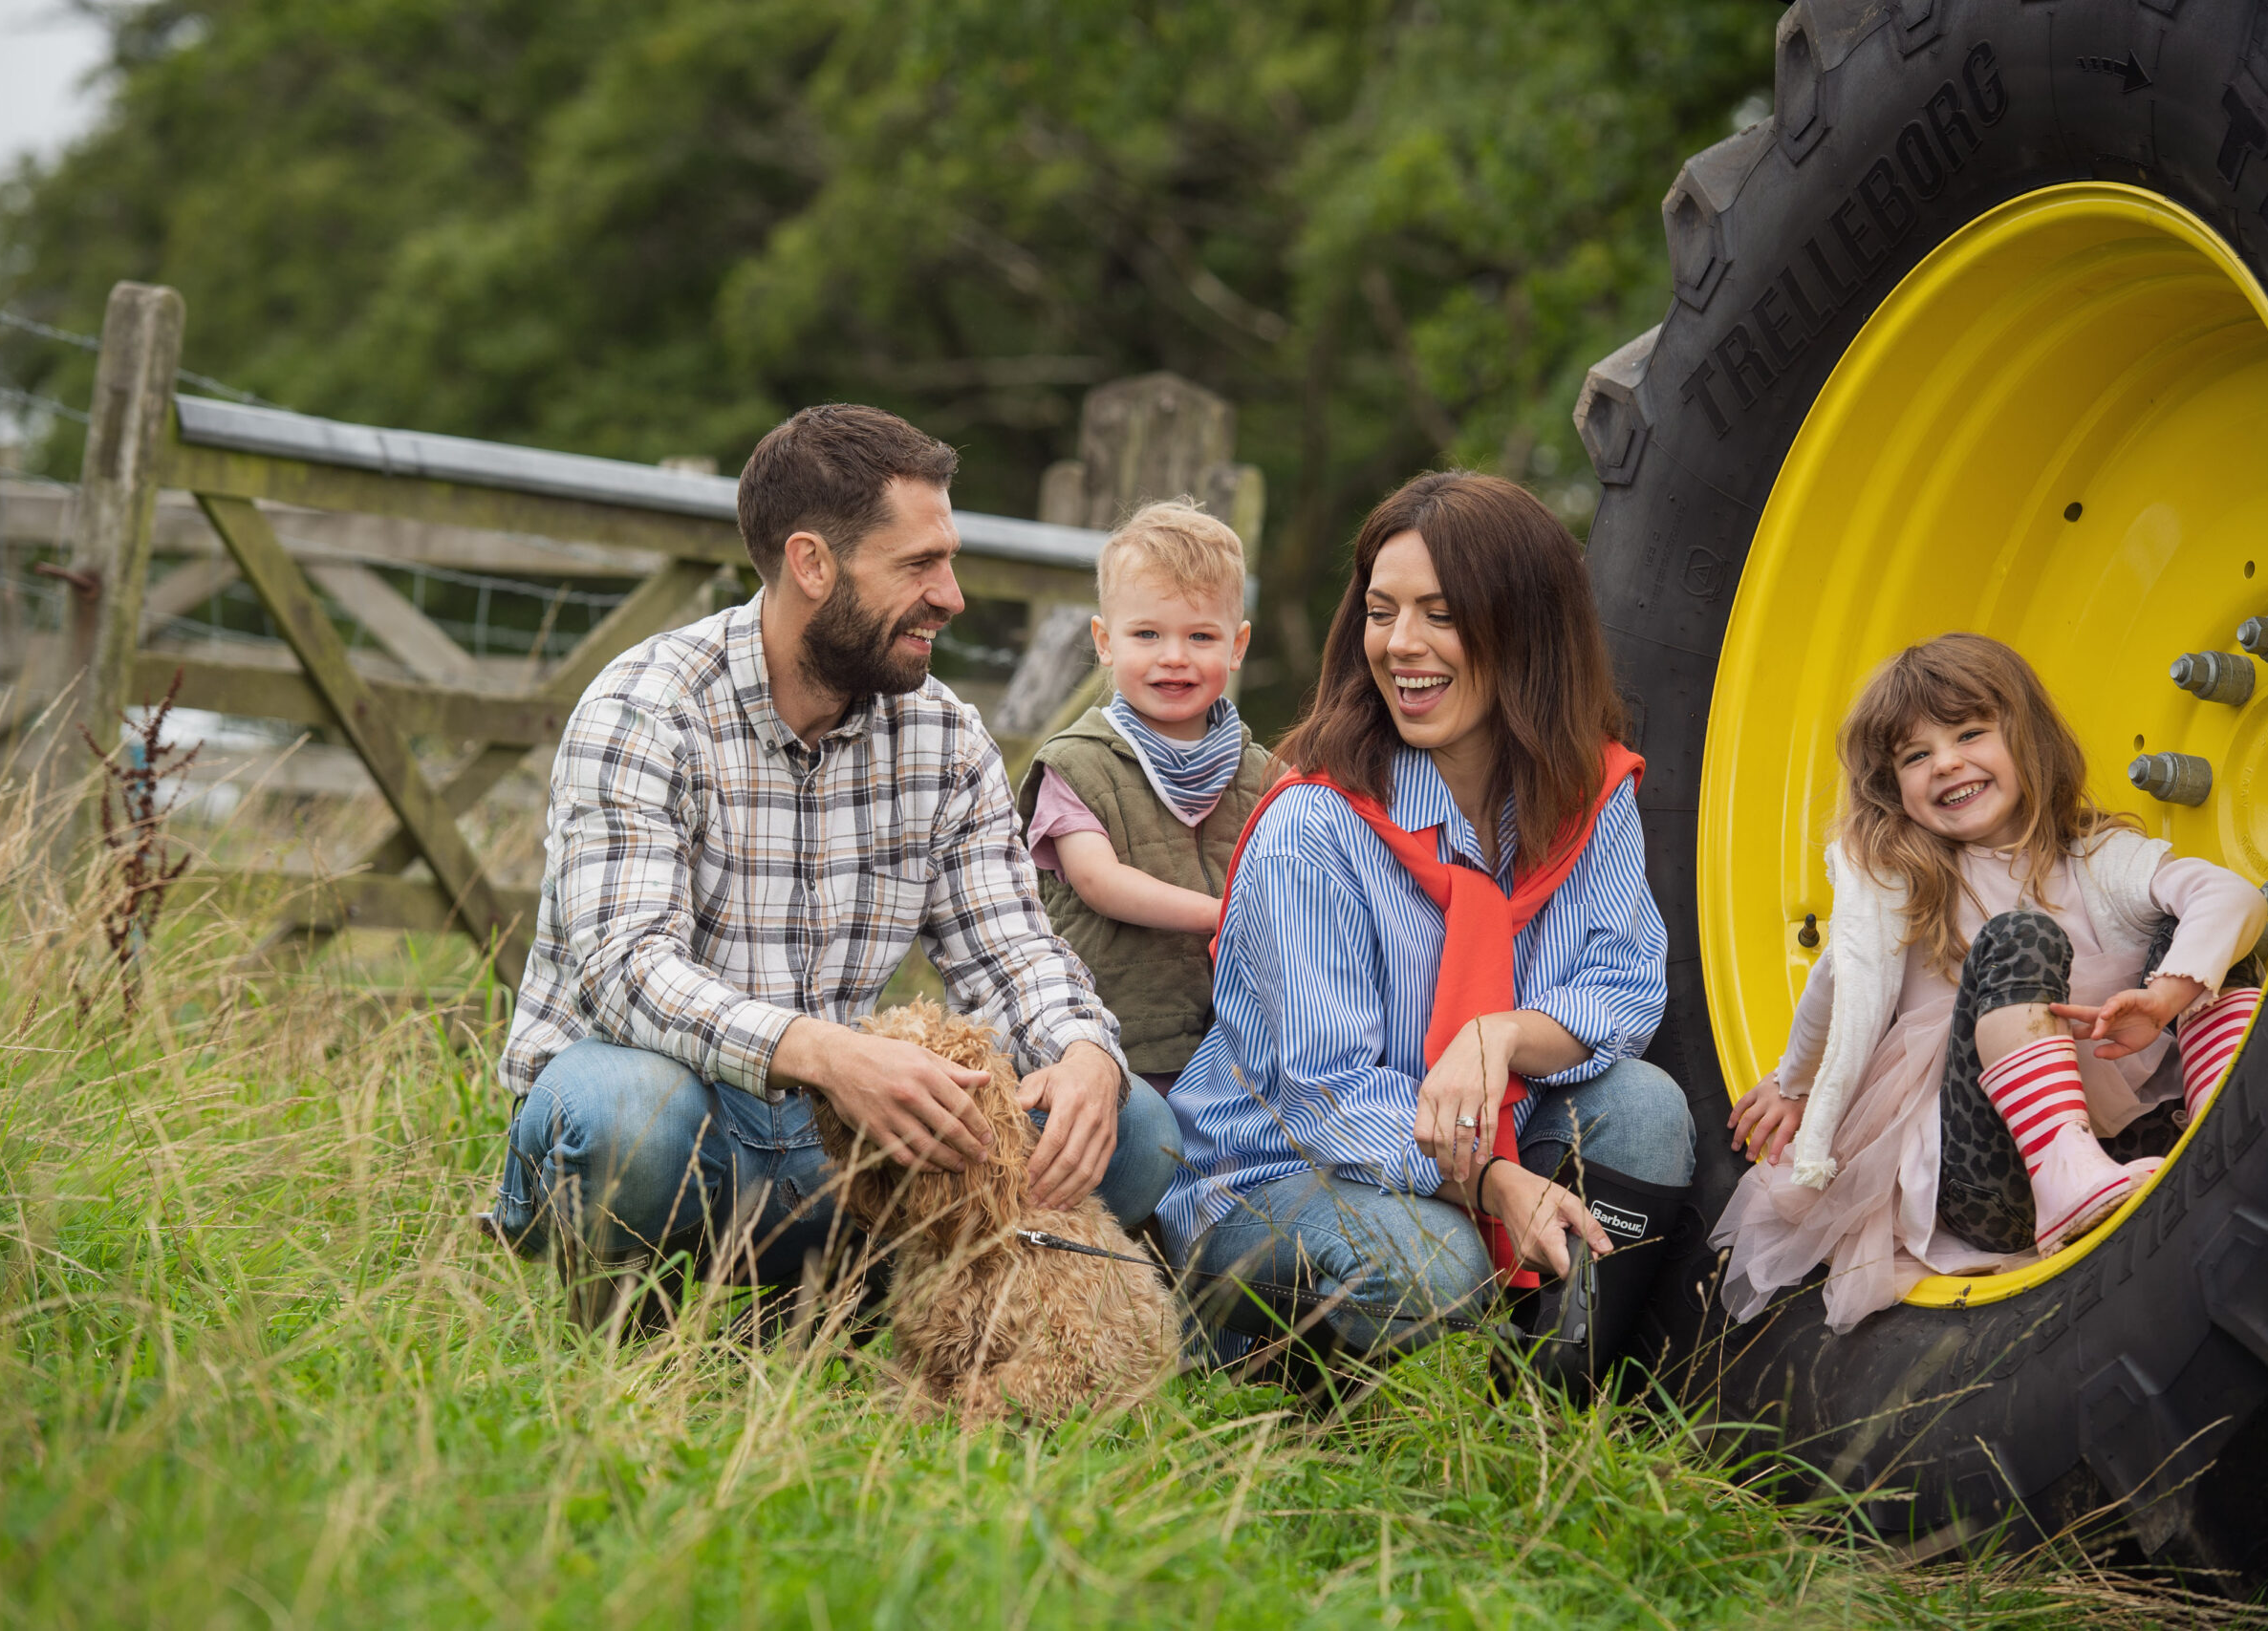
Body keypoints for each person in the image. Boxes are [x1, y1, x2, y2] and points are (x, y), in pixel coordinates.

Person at [490, 404, 1179, 1329]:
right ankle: (620, 1319)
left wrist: (1084, 1049)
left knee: (1133, 1133)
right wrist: (827, 1053)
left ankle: (849, 1310)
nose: (952, 595)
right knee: (625, 1113)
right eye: (917, 565)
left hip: (845, 1148)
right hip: (687, 1126)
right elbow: (624, 974)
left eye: (949, 560)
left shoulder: (942, 735)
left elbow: (1011, 949)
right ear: (812, 564)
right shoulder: (645, 709)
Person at [1157, 470, 1695, 1376]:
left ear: (1525, 628)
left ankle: (1540, 1411)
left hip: (1471, 1142)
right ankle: (1273, 1385)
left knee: (1646, 1112)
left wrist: (1502, 1033)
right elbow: (1326, 1097)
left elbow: (1624, 986)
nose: (1401, 645)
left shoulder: (1586, 796)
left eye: (1441, 613)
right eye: (1381, 611)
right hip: (1275, 1175)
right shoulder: (1315, 827)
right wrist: (1492, 1181)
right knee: (1435, 1266)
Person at [1713, 633, 2266, 1333]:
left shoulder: (2098, 858)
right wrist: (1796, 1084)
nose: (1946, 762)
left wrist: (2163, 999)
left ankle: (2223, 1106)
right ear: (1894, 786)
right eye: (1916, 755)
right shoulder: (1906, 885)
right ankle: (2063, 1171)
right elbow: (1840, 986)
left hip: (2136, 1142)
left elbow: (2236, 896)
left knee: (2211, 935)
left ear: (2027, 740)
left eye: (1970, 732)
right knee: (2023, 937)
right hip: (1988, 1178)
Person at [1016, 500, 1272, 1093]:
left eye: (1201, 635)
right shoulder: (1077, 764)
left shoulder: (1263, 775)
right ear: (1106, 641)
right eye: (1148, 634)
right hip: (1111, 1047)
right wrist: (1224, 916)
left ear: (1237, 646)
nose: (1174, 656)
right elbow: (1099, 882)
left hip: (1232, 1050)